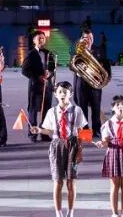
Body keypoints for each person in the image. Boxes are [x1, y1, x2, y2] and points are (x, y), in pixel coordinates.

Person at [29, 81, 88, 217]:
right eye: (60, 92)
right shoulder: (51, 112)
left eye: (65, 92)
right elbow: (50, 131)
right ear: (55, 94)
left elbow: (81, 131)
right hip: (56, 146)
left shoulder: (77, 110)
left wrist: (80, 150)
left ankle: (70, 212)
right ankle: (58, 213)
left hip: (73, 146)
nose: (62, 94)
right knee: (57, 181)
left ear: (70, 94)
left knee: (71, 181)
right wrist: (39, 130)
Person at [98, 94, 123, 217]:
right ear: (113, 108)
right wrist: (102, 143)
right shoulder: (108, 124)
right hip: (113, 153)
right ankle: (115, 213)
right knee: (115, 185)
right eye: (117, 105)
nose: (120, 107)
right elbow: (105, 141)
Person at [73, 27, 112, 129]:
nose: (89, 40)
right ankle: (85, 131)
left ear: (93, 39)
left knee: (96, 108)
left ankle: (96, 131)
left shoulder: (99, 50)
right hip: (81, 83)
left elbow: (106, 65)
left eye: (91, 38)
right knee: (82, 109)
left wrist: (108, 78)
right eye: (86, 38)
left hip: (95, 84)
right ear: (82, 39)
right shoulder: (77, 51)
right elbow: (72, 65)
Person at [22, 31, 57, 142]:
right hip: (35, 87)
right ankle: (32, 134)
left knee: (46, 111)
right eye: (39, 38)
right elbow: (24, 70)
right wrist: (38, 77)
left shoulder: (49, 53)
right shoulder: (31, 54)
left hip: (47, 87)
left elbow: (53, 68)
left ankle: (44, 134)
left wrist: (49, 73)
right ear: (34, 40)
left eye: (43, 38)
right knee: (33, 111)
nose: (41, 40)